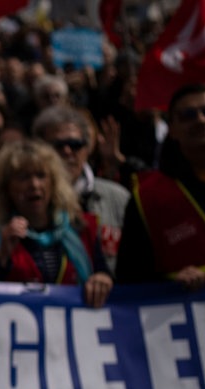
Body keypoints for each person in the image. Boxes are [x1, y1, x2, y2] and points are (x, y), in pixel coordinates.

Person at [117, 84, 205, 289]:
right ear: (171, 129)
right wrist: (172, 285)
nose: (201, 120)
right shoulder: (147, 198)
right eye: (188, 115)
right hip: (195, 318)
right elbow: (130, 284)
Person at [0, 139, 113, 308]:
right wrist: (1, 257)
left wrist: (103, 279)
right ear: (6, 188)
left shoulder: (82, 227)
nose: (34, 184)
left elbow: (103, 273)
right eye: (23, 177)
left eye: (41, 175)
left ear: (53, 182)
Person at [32, 106, 130, 272]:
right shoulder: (28, 201)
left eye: (75, 144)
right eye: (58, 145)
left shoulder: (118, 198)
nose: (67, 151)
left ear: (88, 148)